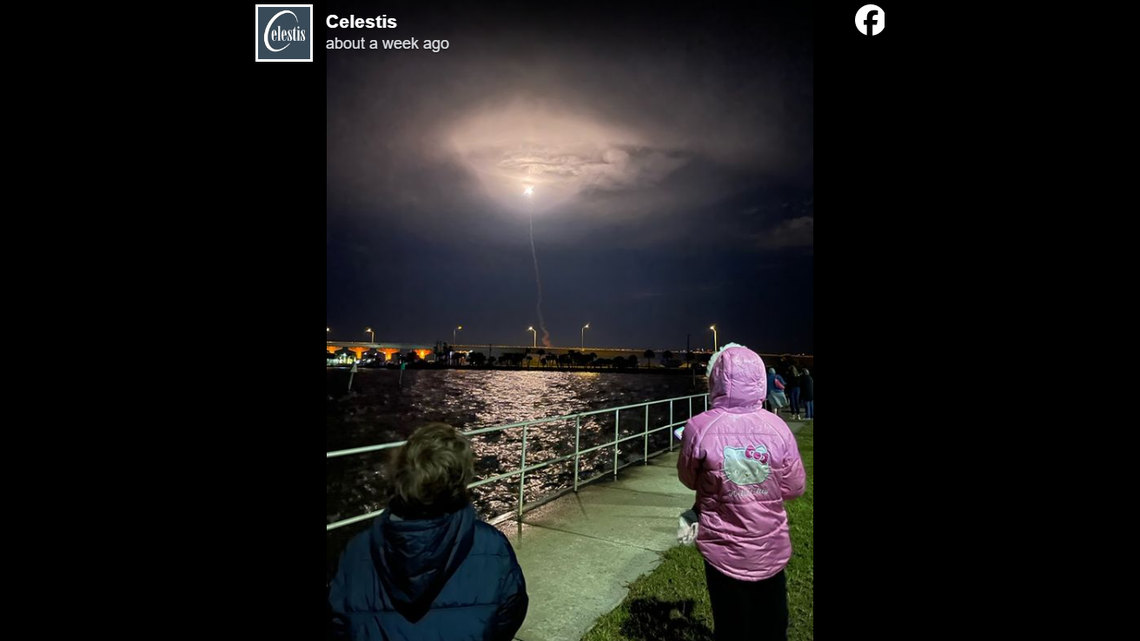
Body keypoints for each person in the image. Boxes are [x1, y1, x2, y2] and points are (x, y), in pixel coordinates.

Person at [329, 423, 528, 640]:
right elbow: (510, 614)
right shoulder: (492, 547)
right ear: (460, 480)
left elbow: (338, 623)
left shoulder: (356, 552)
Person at [678, 344, 805, 641]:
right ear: (760, 379)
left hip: (722, 546)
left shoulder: (699, 427)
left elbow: (688, 478)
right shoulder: (777, 427)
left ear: (716, 381)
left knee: (731, 626)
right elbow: (794, 486)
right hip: (770, 544)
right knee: (772, 625)